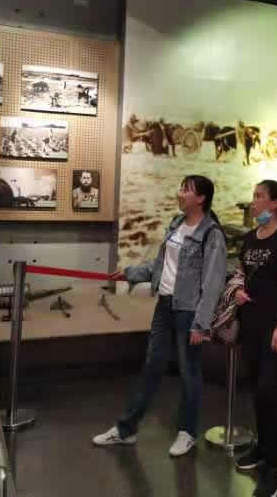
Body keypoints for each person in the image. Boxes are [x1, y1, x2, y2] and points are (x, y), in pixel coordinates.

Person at [92, 175, 227, 456]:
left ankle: (187, 432)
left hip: (189, 311)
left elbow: (213, 282)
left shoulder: (211, 234)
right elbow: (161, 264)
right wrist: (131, 272)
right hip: (164, 306)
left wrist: (201, 323)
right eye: (181, 188)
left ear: (200, 198)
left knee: (189, 373)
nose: (179, 193)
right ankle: (126, 429)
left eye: (186, 190)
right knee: (152, 366)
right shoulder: (177, 224)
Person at [233, 180, 277, 497]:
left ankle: (275, 470)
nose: (254, 201)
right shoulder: (250, 238)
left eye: (259, 196)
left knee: (270, 393)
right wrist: (238, 289)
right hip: (250, 324)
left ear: (275, 203)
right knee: (257, 391)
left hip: (274, 327)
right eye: (253, 196)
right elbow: (241, 272)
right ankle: (262, 448)